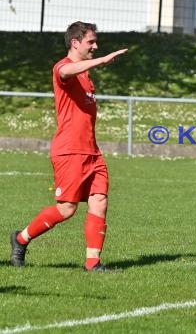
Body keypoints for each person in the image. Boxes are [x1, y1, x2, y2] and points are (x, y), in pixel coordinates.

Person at [10, 21, 128, 272]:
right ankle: (21, 238)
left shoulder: (86, 76)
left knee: (100, 201)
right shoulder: (63, 68)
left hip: (92, 152)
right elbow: (65, 72)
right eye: (91, 42)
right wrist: (103, 60)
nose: (95, 46)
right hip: (69, 151)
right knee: (66, 209)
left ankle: (93, 263)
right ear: (75, 43)